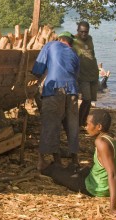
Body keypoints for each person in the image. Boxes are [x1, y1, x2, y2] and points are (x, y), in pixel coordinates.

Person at [41, 110, 116, 218]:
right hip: (102, 181)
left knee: (55, 172)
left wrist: (113, 208)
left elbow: (112, 174)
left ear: (98, 127)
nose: (86, 127)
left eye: (88, 124)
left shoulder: (101, 142)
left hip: (97, 188)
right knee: (82, 170)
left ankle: (44, 166)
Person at [32, 31, 80, 171]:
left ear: (60, 39)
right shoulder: (75, 54)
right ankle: (74, 160)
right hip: (72, 91)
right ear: (70, 43)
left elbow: (37, 69)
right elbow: (75, 75)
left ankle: (48, 161)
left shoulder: (51, 45)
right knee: (72, 125)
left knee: (51, 124)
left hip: (54, 90)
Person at [74, 21, 99, 126]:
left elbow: (92, 54)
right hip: (82, 75)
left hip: (93, 73)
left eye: (86, 32)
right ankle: (79, 122)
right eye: (82, 32)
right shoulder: (74, 40)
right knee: (86, 99)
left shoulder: (90, 38)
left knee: (90, 101)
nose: (84, 34)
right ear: (78, 31)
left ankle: (83, 121)